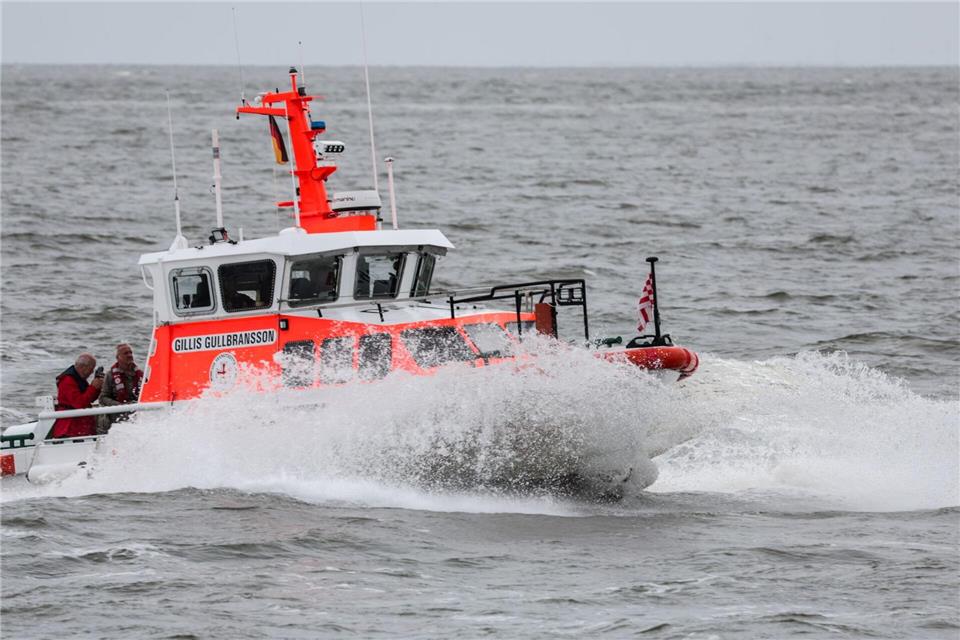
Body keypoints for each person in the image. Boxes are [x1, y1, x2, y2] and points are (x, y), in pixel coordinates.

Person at [50, 353, 103, 439]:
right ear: (83, 367)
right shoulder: (67, 380)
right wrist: (93, 387)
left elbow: (89, 399)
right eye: (91, 369)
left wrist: (97, 388)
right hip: (70, 428)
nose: (92, 372)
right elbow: (79, 404)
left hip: (80, 425)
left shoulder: (78, 379)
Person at [97, 343, 144, 434]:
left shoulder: (140, 374)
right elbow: (102, 398)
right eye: (126, 353)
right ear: (118, 357)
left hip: (136, 415)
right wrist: (120, 406)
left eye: (130, 352)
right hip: (117, 417)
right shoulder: (110, 375)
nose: (130, 355)